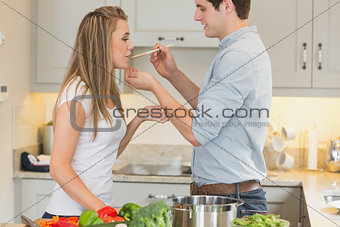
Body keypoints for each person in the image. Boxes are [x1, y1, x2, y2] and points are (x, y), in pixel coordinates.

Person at [124, 0, 272, 217]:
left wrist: (154, 85)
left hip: (234, 204)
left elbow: (197, 132)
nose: (196, 16)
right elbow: (209, 112)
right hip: (229, 199)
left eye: (202, 8)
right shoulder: (239, 49)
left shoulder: (238, 55)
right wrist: (172, 75)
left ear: (227, 6)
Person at [43, 6, 167, 218]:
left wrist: (139, 118)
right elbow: (58, 167)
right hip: (69, 216)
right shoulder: (77, 93)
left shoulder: (108, 92)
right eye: (125, 39)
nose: (131, 46)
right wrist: (104, 211)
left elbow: (105, 154)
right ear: (102, 42)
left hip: (94, 215)